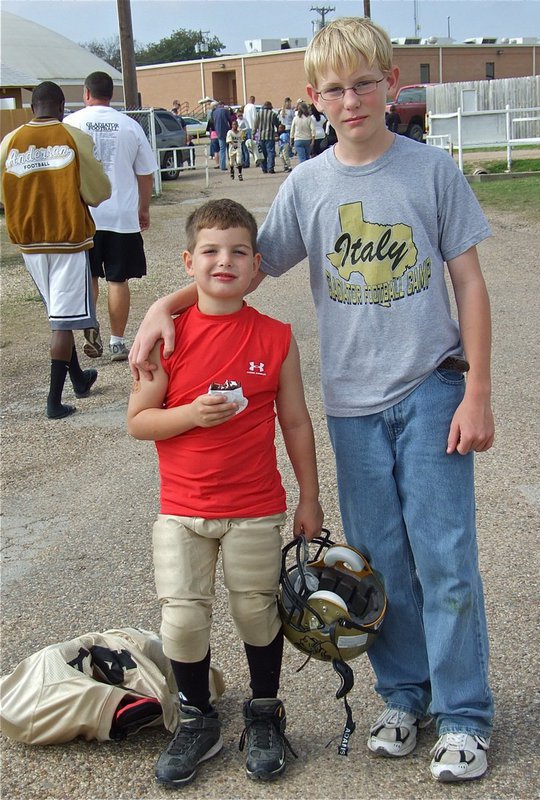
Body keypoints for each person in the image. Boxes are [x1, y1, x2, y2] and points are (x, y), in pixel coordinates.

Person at [130, 16, 496, 784]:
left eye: (365, 83)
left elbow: (468, 282)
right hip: (353, 405)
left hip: (432, 387)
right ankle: (405, 696)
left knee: (447, 558)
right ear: (313, 99)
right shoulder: (309, 183)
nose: (352, 99)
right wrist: (166, 304)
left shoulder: (431, 173)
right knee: (378, 564)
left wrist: (479, 392)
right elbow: (239, 271)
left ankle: (464, 713)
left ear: (392, 84)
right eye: (335, 89)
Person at [127, 198, 323, 788]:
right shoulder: (167, 335)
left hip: (254, 507)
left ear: (256, 263)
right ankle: (197, 719)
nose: (224, 261)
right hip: (183, 510)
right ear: (188, 261)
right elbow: (139, 421)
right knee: (183, 620)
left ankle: (264, 713)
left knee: (256, 611)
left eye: (238, 252)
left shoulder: (275, 336)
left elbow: (296, 422)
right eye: (210, 251)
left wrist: (308, 497)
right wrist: (189, 415)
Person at [0, 81, 111, 419]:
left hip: (28, 241)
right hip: (66, 238)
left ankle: (78, 378)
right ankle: (53, 402)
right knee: (62, 322)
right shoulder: (73, 138)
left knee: (59, 310)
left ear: (34, 107)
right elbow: (96, 191)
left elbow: (4, 196)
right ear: (62, 107)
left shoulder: (9, 142)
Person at [65, 72, 158, 363]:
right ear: (110, 94)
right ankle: (118, 341)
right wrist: (143, 208)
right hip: (121, 213)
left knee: (89, 275)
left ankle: (90, 324)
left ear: (86, 93)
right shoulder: (130, 126)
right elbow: (145, 174)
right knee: (118, 279)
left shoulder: (70, 124)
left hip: (84, 214)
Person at [253, 101, 280, 174]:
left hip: (261, 136)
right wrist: (278, 132)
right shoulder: (272, 114)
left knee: (262, 153)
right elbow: (277, 124)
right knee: (271, 152)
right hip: (270, 136)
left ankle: (264, 168)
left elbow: (255, 125)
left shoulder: (259, 114)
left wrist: (253, 134)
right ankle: (270, 168)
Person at [207, 100, 231, 171]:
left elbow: (212, 124)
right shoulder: (225, 111)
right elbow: (229, 120)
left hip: (218, 133)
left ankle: (222, 166)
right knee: (229, 149)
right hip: (226, 132)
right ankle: (231, 163)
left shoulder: (214, 113)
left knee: (222, 149)